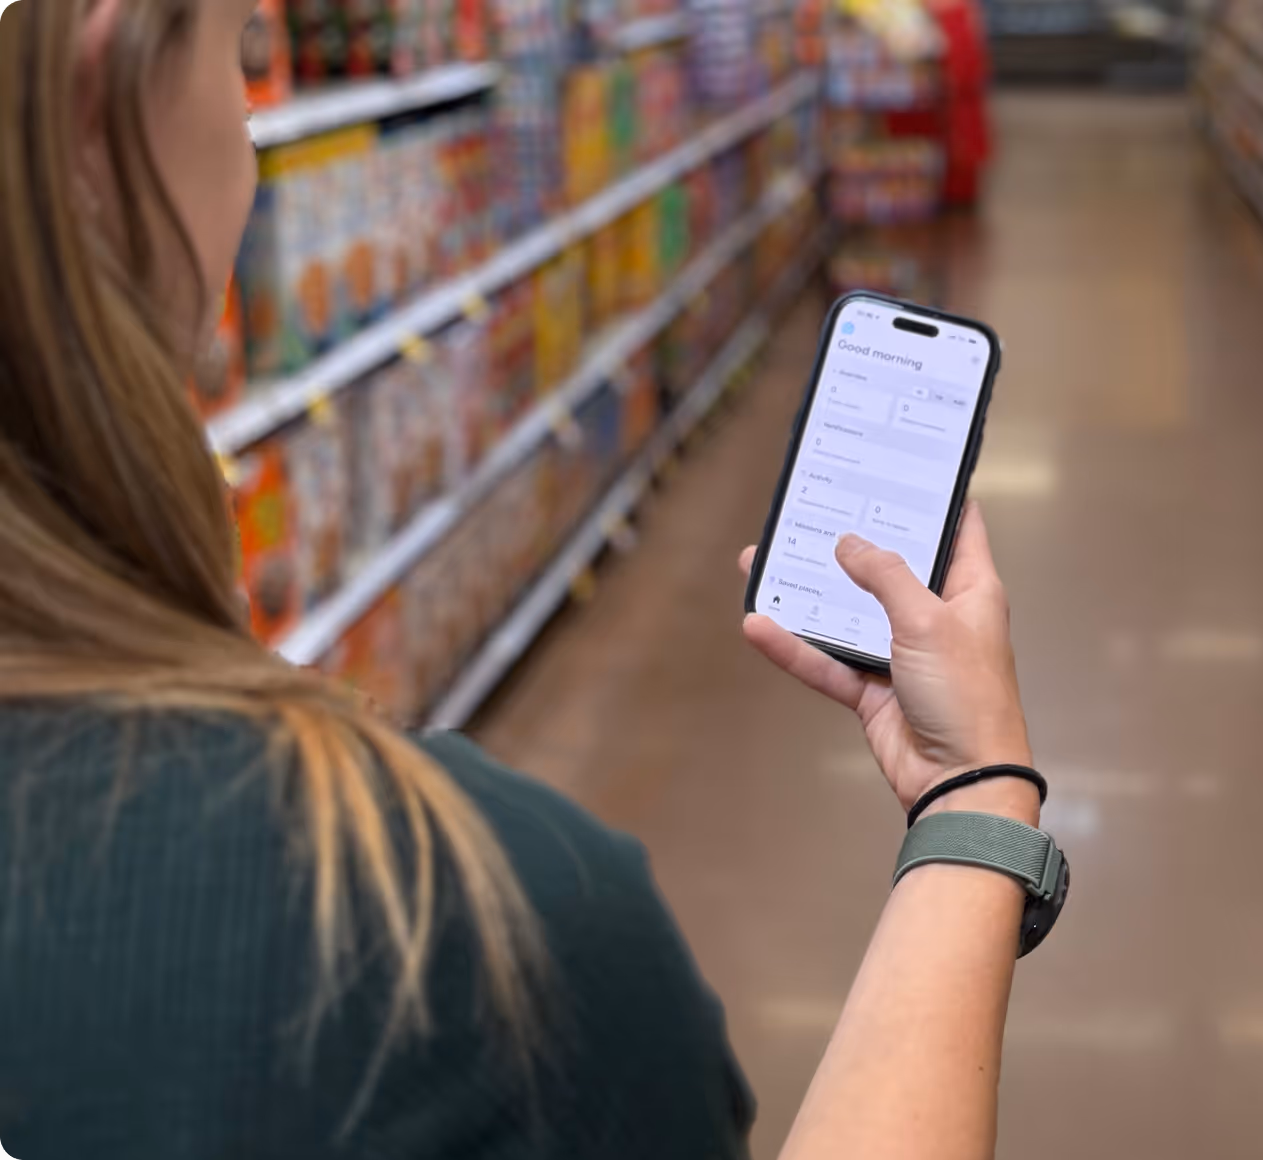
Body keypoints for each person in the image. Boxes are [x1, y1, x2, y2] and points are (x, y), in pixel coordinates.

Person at [0, 1, 1055, 1157]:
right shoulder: (456, 925)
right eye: (232, 47)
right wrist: (979, 800)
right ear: (108, 92)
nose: (253, 126)